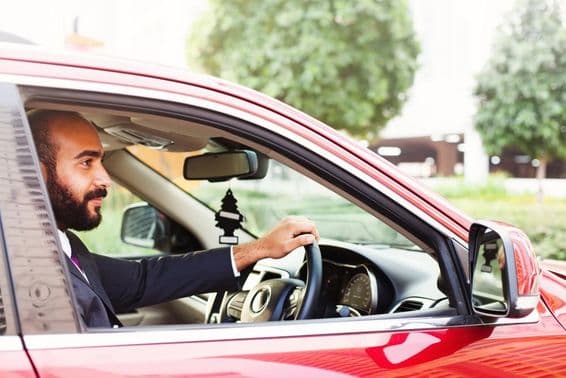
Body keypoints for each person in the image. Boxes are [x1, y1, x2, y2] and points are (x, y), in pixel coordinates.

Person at [28, 110, 319, 328]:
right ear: (36, 172)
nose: (105, 179)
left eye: (102, 162)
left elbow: (145, 279)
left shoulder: (64, 244)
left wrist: (259, 249)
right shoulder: (20, 268)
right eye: (86, 163)